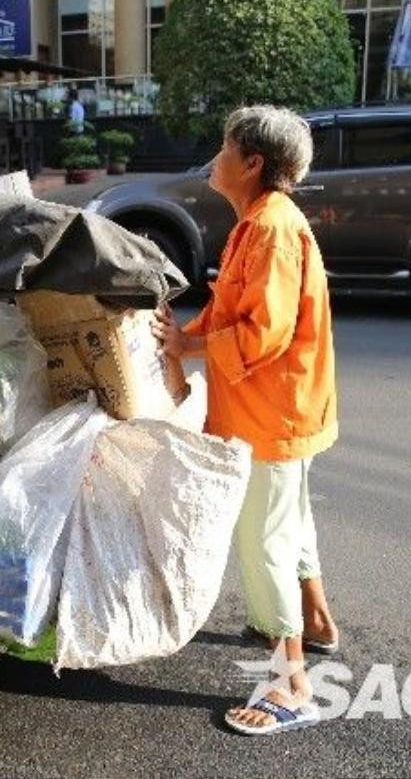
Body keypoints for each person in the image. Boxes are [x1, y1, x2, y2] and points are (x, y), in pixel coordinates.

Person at [153, 105, 340, 736]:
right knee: (290, 521)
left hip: (272, 412)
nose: (216, 157)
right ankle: (314, 622)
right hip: (279, 408)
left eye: (225, 147)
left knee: (263, 541)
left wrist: (190, 349)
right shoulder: (255, 223)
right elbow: (228, 308)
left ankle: (291, 688)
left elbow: (263, 333)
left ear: (253, 163)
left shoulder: (270, 229)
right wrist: (185, 337)